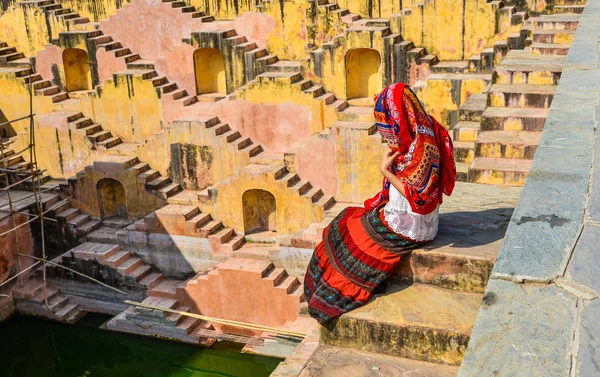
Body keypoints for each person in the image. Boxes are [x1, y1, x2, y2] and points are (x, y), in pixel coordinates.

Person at [303, 82, 456, 324]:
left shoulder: (422, 147)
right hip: (410, 218)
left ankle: (328, 297)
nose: (386, 131)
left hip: (410, 227)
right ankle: (320, 290)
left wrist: (387, 171)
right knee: (349, 217)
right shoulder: (423, 132)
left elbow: (419, 199)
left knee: (346, 228)